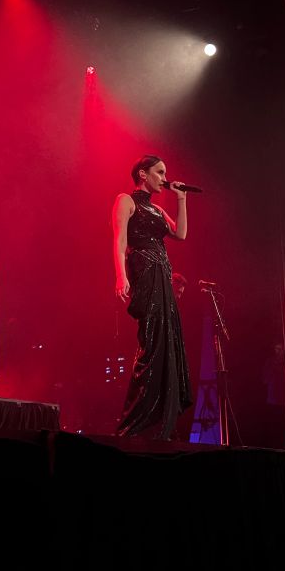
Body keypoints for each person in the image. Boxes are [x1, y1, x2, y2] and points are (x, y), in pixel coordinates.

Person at [112, 154, 192, 439]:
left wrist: (181, 199)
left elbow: (180, 234)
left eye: (165, 172)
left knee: (167, 340)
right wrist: (121, 275)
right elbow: (120, 240)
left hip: (163, 274)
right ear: (143, 174)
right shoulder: (126, 200)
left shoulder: (158, 210)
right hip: (144, 271)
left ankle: (161, 421)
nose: (164, 177)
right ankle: (136, 420)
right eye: (160, 172)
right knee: (152, 339)